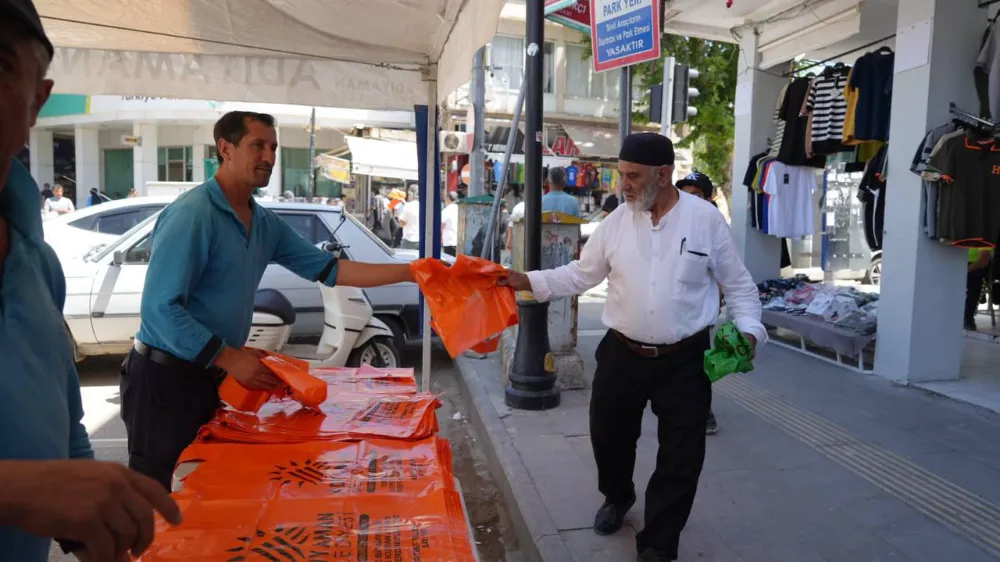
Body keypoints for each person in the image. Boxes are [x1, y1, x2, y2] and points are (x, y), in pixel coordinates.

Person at [122, 111, 421, 492]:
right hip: (164, 383)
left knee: (204, 494)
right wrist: (231, 358)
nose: (269, 156)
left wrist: (412, 272)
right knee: (156, 500)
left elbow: (331, 269)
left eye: (273, 147)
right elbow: (159, 309)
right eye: (257, 145)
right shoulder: (193, 214)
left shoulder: (263, 223)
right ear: (225, 149)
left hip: (210, 377)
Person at [500, 133, 765, 562]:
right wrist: (526, 280)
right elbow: (581, 274)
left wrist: (751, 331)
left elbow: (739, 286)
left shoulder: (705, 220)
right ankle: (617, 496)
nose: (623, 185)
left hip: (685, 359)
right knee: (609, 437)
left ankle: (659, 543)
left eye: (633, 176)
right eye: (621, 174)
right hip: (622, 353)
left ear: (664, 174)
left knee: (682, 456)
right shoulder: (616, 222)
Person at [0, 2, 182, 560]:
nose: (268, 157)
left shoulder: (37, 263)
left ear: (37, 101)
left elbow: (65, 423)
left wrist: (96, 536)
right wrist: (15, 490)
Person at [675, 171, 724, 435]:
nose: (689, 199)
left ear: (708, 198)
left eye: (696, 194)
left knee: (698, 364)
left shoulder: (714, 225)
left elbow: (725, 271)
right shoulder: (673, 219)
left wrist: (720, 298)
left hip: (700, 311)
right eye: (685, 194)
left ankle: (705, 413)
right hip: (673, 306)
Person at [966, 248, 993, 331]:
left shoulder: (985, 239)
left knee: (975, 281)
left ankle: (968, 318)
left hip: (976, 267)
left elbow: (983, 261)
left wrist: (966, 270)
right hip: (958, 263)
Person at [398, 185, 421, 250]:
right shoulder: (424, 206)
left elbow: (402, 224)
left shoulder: (408, 206)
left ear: (411, 194)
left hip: (409, 240)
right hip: (421, 239)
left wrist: (399, 216)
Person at [441, 191, 459, 257]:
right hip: (459, 242)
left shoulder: (446, 210)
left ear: (448, 199)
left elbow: (442, 226)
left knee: (449, 261)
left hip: (449, 242)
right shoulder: (460, 208)